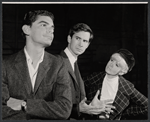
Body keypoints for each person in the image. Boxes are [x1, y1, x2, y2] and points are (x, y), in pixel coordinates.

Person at [2, 10, 72, 120]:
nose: (51, 31)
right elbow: (2, 110)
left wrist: (25, 105)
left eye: (52, 28)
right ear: (27, 29)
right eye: (44, 25)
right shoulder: (5, 65)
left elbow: (64, 108)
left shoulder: (58, 64)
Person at [60, 23, 115, 120]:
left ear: (88, 45)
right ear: (69, 39)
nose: (81, 44)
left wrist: (90, 105)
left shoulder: (73, 62)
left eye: (85, 41)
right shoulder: (57, 62)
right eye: (77, 38)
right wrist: (78, 109)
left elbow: (75, 99)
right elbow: (50, 102)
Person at [83, 49, 148, 120]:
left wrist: (121, 112)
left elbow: (146, 105)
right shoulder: (95, 77)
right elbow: (76, 88)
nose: (111, 64)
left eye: (117, 65)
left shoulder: (127, 87)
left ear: (122, 72)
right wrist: (88, 105)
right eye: (111, 60)